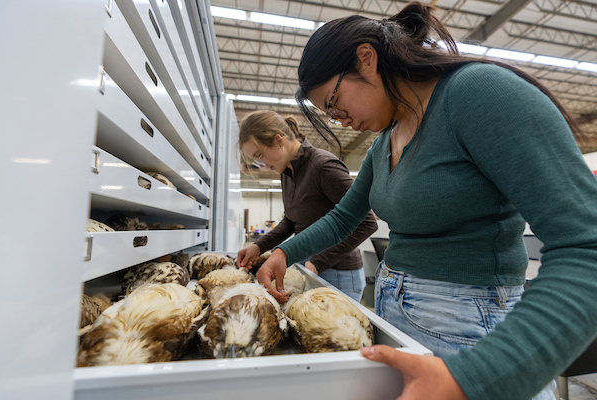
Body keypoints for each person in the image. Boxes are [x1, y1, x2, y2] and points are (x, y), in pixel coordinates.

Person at [255, 2, 597, 400]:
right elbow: (345, 216)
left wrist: (476, 378)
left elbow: (585, 249)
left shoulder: (479, 94)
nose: (340, 120)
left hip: (473, 338)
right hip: (397, 317)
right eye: (330, 116)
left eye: (334, 103)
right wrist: (282, 253)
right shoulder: (385, 139)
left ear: (366, 59)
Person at [236, 110, 378, 302]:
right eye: (255, 159)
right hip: (308, 264)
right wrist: (259, 246)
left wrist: (317, 263)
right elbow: (291, 221)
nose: (260, 164)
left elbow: (366, 222)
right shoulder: (287, 173)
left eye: (259, 154)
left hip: (337, 273)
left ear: (279, 140)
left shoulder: (323, 166)